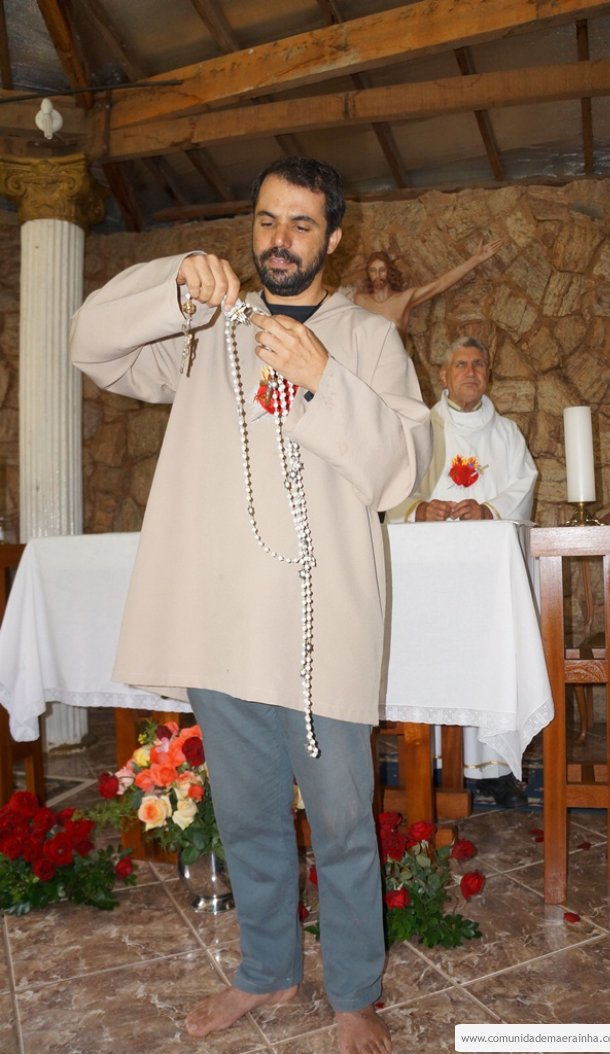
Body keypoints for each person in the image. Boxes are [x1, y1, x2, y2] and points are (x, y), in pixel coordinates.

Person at [70, 156, 432, 1054]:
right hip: (223, 620)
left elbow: (403, 472)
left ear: (333, 238)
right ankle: (267, 970)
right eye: (267, 220)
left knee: (342, 822)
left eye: (301, 224)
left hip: (321, 631)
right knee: (247, 815)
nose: (280, 239)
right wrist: (173, 285)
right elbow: (89, 345)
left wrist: (323, 376)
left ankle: (354, 993)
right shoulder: (205, 329)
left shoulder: (368, 341)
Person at [388, 336, 537, 807]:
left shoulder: (507, 434)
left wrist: (490, 509)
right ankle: (428, 762)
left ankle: (495, 768)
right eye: (461, 365)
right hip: (429, 581)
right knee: (432, 655)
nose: (470, 372)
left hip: (485, 584)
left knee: (489, 656)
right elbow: (392, 486)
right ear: (445, 375)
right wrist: (418, 510)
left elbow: (524, 484)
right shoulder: (420, 428)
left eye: (478, 364)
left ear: (487, 375)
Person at [349, 240, 502, 340]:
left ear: (389, 272)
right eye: (373, 271)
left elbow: (441, 284)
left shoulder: (403, 299)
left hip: (394, 366)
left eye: (382, 270)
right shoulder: (359, 300)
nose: (377, 275)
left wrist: (476, 259)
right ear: (368, 273)